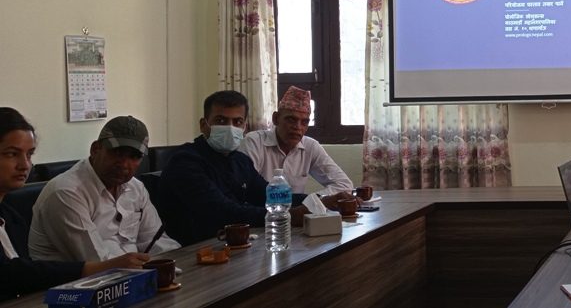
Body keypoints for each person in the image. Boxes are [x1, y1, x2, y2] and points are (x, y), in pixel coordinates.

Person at [0, 108, 149, 301]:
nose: (25, 165)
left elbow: (21, 274)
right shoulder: (65, 191)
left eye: (29, 155)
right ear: (95, 149)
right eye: (12, 154)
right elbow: (8, 274)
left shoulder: (11, 218)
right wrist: (102, 267)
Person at [160, 90, 344, 246]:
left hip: (232, 244)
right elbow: (223, 212)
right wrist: (288, 215)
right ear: (203, 125)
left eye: (237, 122)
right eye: (221, 121)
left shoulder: (239, 160)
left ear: (244, 126)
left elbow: (266, 195)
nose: (230, 128)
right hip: (193, 251)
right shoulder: (185, 161)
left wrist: (320, 201)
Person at [29, 116, 179, 262]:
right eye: (117, 152)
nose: (124, 164)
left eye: (134, 156)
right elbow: (96, 261)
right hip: (81, 278)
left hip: (132, 274)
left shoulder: (136, 188)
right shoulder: (66, 192)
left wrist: (177, 262)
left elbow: (156, 241)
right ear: (95, 149)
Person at [240, 86, 355, 197]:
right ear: (276, 119)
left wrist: (313, 201)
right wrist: (307, 202)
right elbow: (246, 189)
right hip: (260, 210)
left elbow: (344, 185)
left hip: (298, 210)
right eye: (291, 119)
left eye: (304, 122)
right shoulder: (254, 142)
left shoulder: (310, 146)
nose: (298, 127)